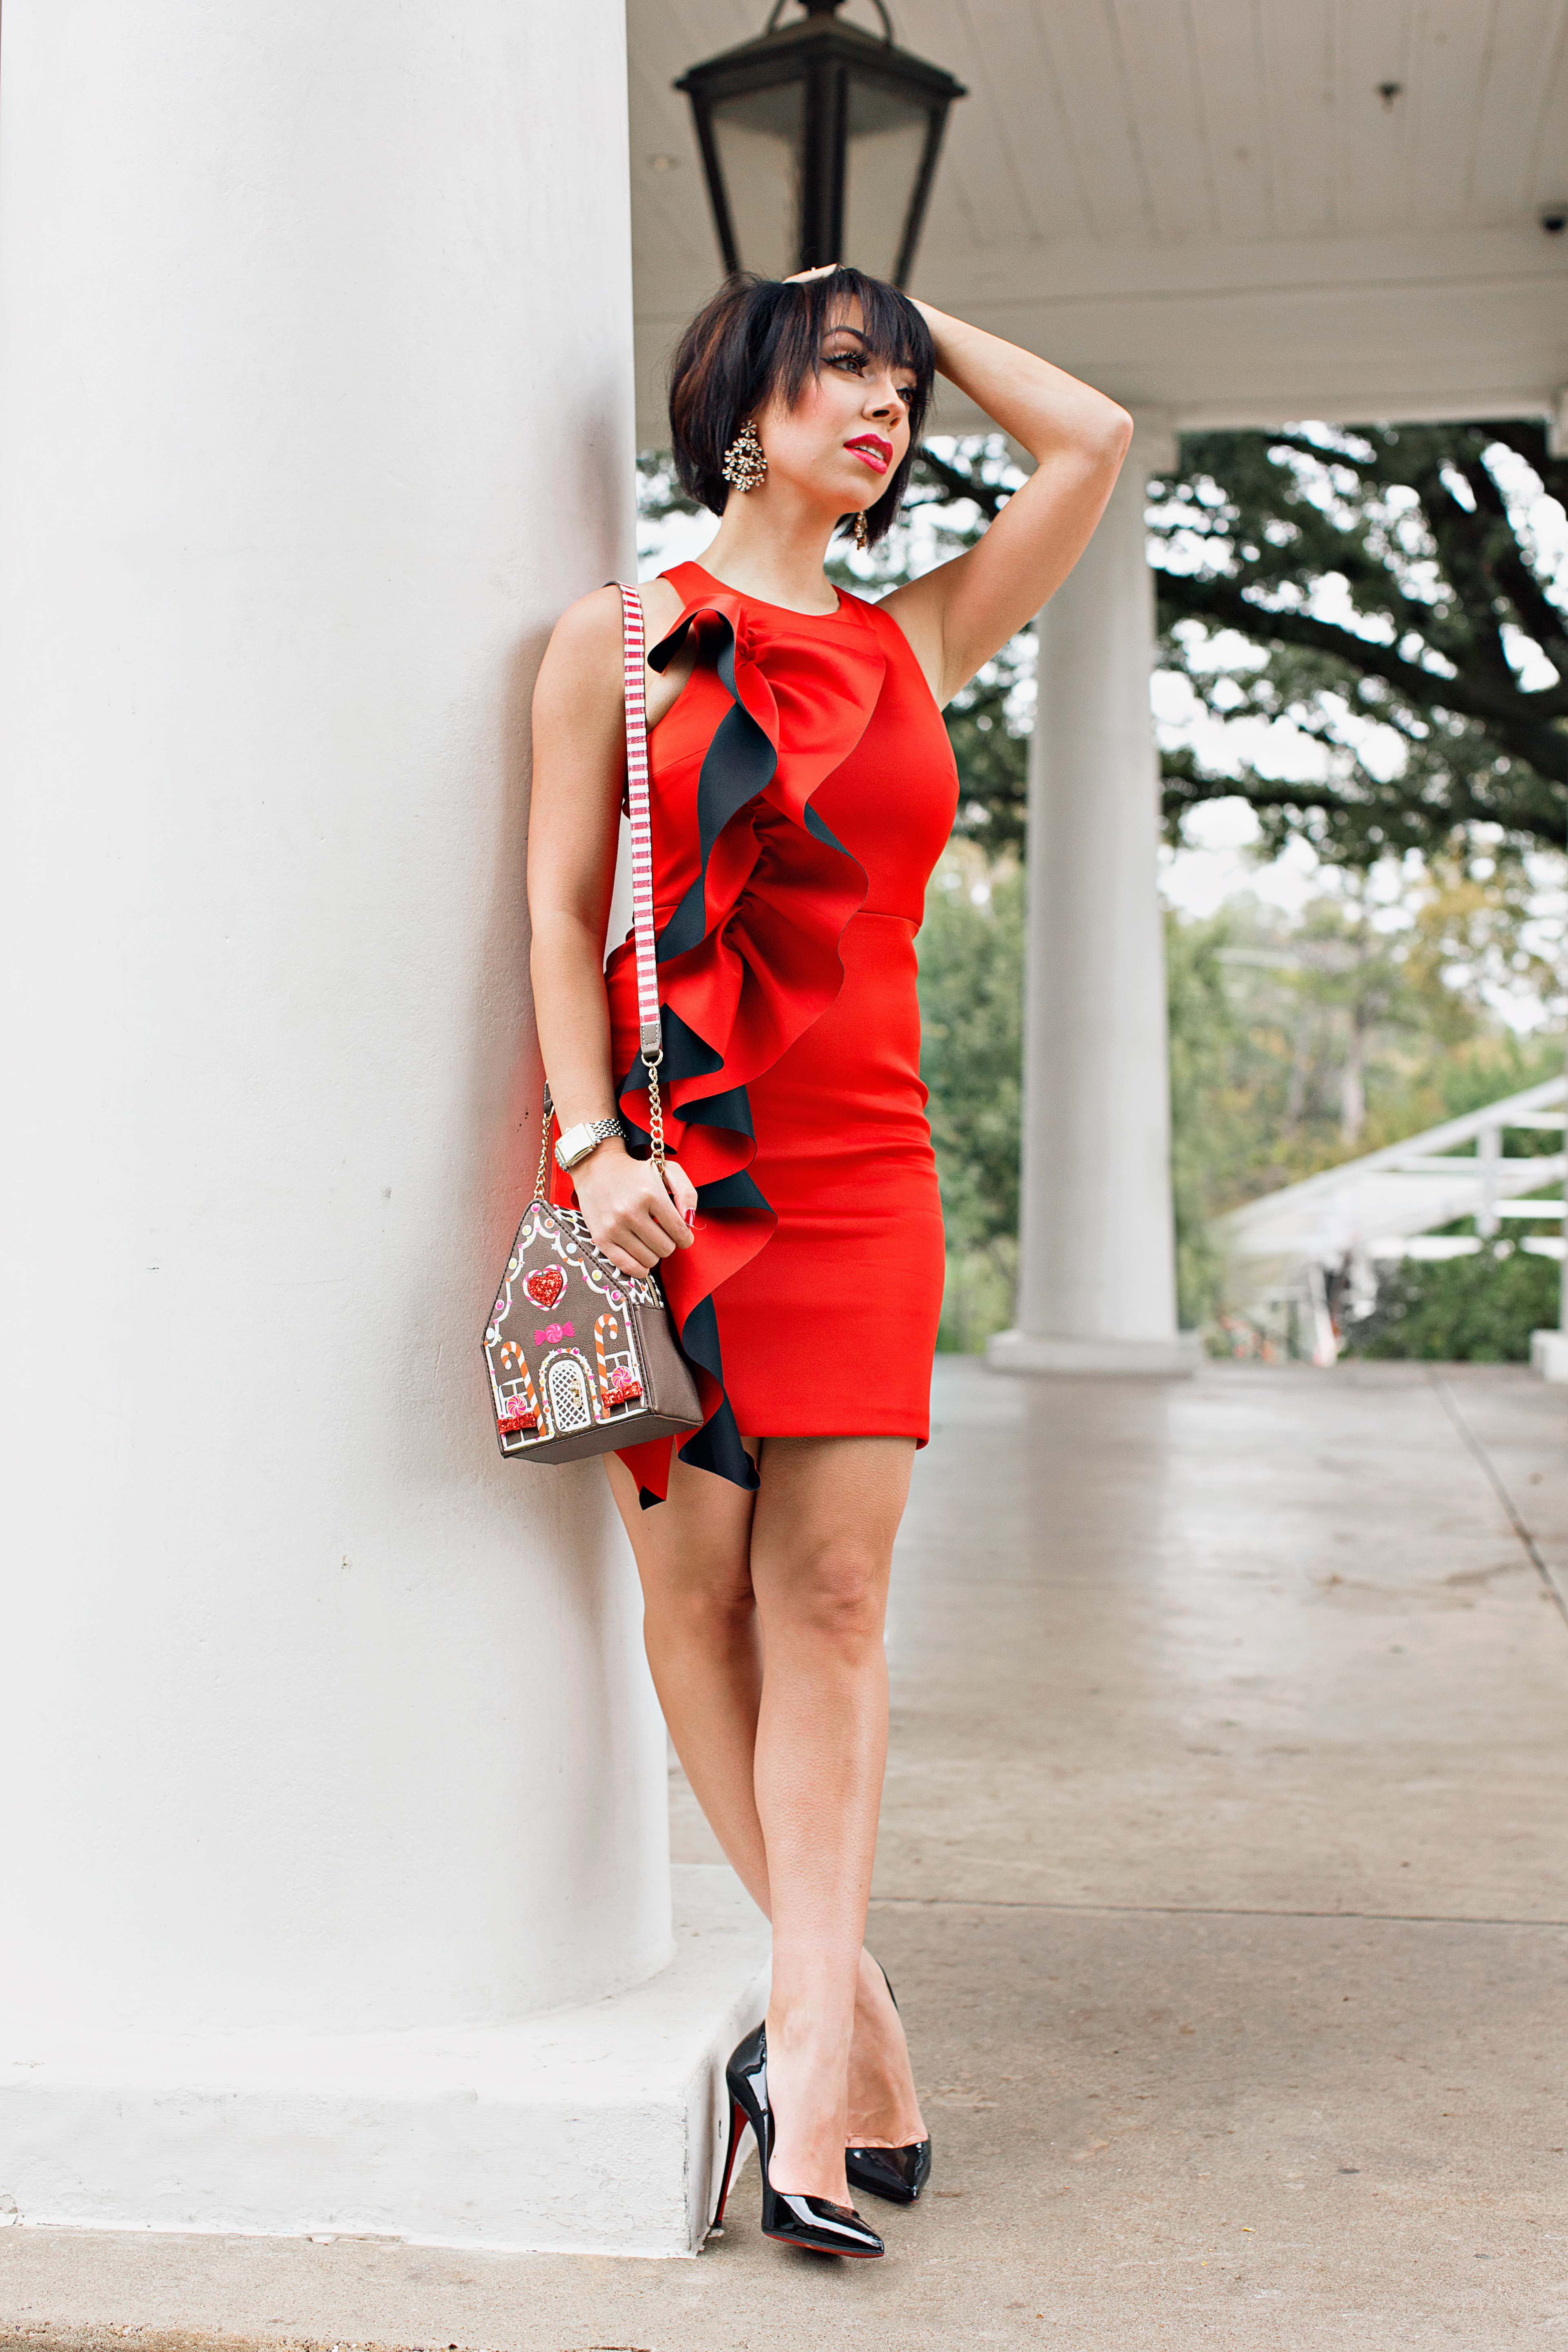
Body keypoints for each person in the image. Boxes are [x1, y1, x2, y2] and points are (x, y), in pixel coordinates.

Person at [527, 264, 1131, 2258]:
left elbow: (1096, 442)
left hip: (867, 1168)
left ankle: (791, 2047)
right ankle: (847, 2010)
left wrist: (912, 312)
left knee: (840, 1596)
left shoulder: (919, 638)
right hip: (672, 1185)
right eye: (840, 376)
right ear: (742, 401)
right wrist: (590, 1144)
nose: (884, 412)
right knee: (699, 1602)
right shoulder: (612, 646)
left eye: (898, 390)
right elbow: (549, 928)